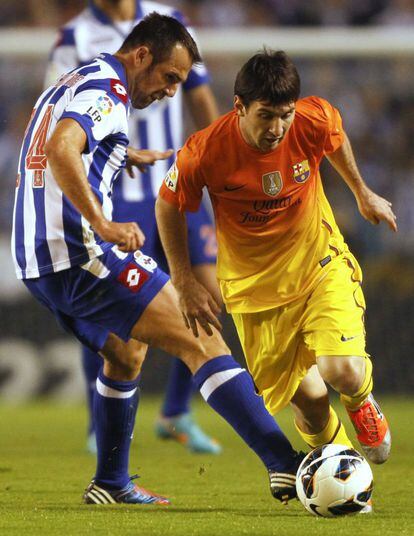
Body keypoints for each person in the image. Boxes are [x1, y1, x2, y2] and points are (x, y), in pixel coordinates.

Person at [12, 15, 303, 506]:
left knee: (126, 353)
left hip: (37, 256)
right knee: (201, 334)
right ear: (141, 55)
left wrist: (122, 154)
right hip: (79, 249)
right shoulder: (109, 90)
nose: (171, 92)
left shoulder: (80, 78)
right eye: (169, 77)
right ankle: (286, 465)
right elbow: (62, 146)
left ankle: (110, 483)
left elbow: (56, 141)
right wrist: (103, 225)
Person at [156, 50, 395, 474]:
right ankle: (342, 471)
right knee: (311, 404)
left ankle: (361, 403)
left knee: (341, 371)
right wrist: (185, 280)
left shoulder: (312, 118)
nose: (277, 128)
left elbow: (334, 136)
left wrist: (362, 192)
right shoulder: (206, 151)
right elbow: (168, 206)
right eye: (265, 115)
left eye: (284, 115)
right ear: (239, 107)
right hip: (253, 293)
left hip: (318, 265)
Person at [44, 0, 222, 455]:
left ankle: (177, 411)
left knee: (212, 294)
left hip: (171, 174)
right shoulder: (75, 37)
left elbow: (199, 94)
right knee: (108, 308)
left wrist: (220, 167)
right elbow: (55, 115)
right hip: (118, 187)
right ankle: (98, 420)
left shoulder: (171, 23)